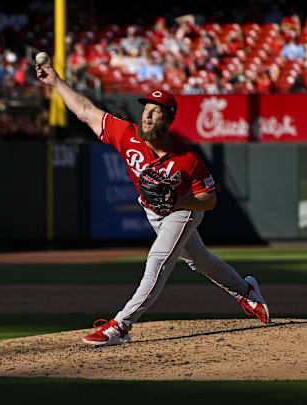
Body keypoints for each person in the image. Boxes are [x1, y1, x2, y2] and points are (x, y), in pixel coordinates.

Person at [35, 62, 270, 346]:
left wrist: (181, 200)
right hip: (152, 212)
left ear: (168, 118)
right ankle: (245, 290)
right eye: (146, 108)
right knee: (201, 261)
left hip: (183, 211)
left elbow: (210, 199)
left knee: (157, 261)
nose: (147, 114)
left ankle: (120, 326)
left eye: (155, 110)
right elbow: (85, 112)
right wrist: (56, 82)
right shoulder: (127, 135)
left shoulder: (186, 158)